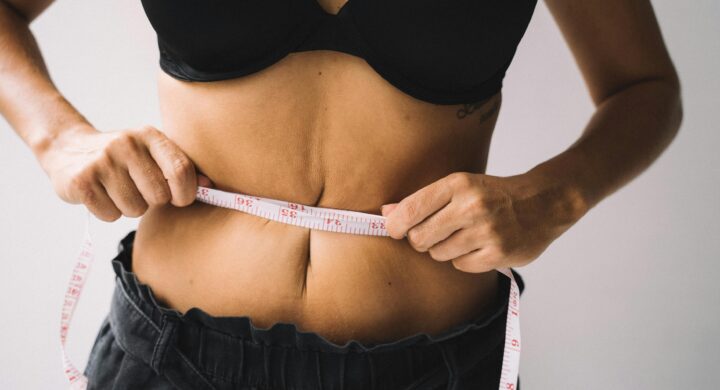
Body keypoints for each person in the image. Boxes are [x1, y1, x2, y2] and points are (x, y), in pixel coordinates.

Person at [0, 0, 682, 388]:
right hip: (171, 356)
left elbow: (646, 89)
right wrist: (57, 137)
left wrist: (555, 197)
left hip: (429, 368)